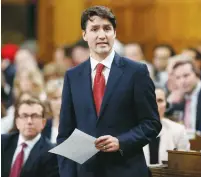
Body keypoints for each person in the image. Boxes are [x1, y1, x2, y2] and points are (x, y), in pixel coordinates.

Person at [57, 6, 162, 177]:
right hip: (86, 172)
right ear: (84, 35)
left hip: (126, 169)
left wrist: (122, 142)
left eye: (107, 28)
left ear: (114, 33)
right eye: (94, 29)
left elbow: (151, 123)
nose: (101, 35)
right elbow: (65, 134)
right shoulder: (72, 76)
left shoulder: (136, 71)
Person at [1, 99, 59, 177]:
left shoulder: (51, 153)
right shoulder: (3, 142)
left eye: (35, 116)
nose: (29, 121)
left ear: (43, 123)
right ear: (17, 122)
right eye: (24, 116)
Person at [143, 87, 190, 165]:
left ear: (167, 105)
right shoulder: (132, 130)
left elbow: (185, 164)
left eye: (160, 100)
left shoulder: (178, 130)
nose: (155, 105)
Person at [167, 60, 201, 131]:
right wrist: (170, 100)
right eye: (178, 78)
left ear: (196, 74)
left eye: (186, 75)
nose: (182, 81)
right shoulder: (182, 97)